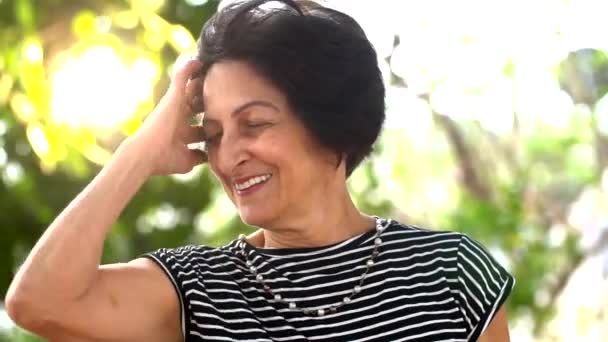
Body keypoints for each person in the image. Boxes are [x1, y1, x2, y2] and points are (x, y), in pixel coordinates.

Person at [5, 0, 515, 341]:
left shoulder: (451, 273)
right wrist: (141, 149)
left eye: (254, 124)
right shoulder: (197, 289)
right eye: (214, 133)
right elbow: (37, 302)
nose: (227, 157)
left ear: (331, 125)